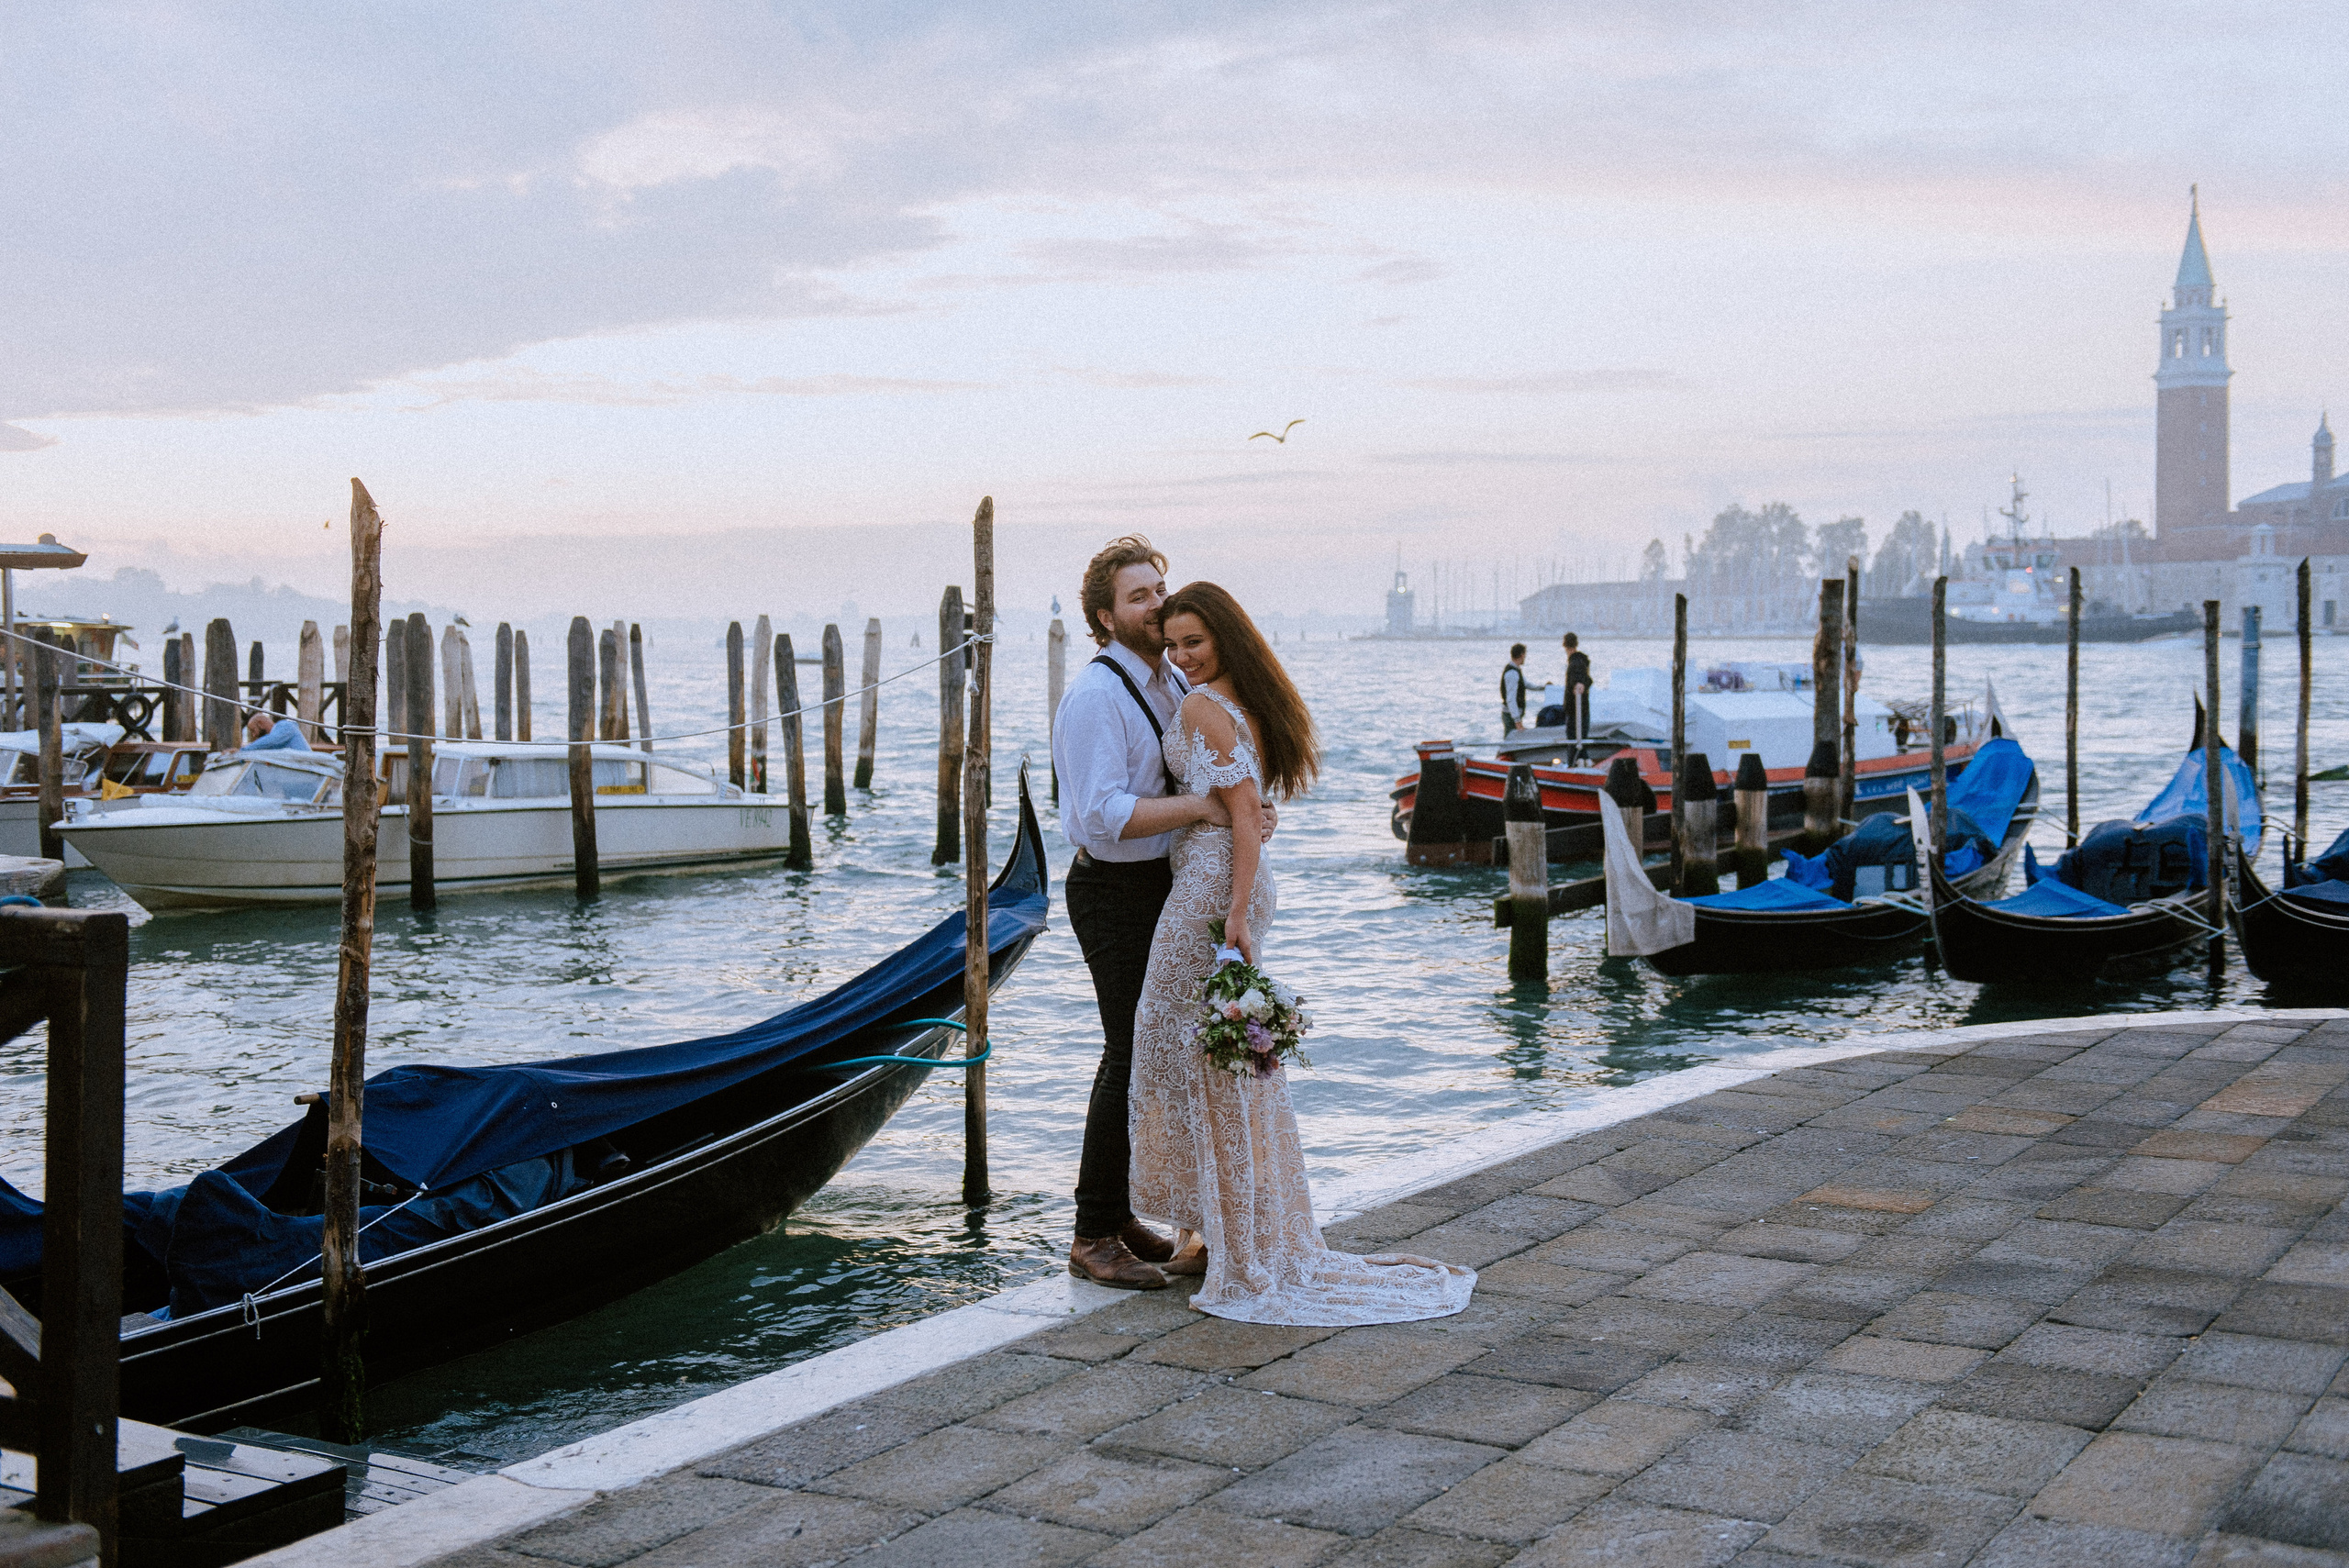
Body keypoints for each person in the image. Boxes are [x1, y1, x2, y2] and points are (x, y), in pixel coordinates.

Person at [1129, 581, 1474, 1325]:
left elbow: (1247, 817)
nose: (1183, 657)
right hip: (1224, 879)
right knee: (1211, 1056)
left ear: (1224, 637)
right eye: (1173, 645)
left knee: (1175, 1045)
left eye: (1195, 641)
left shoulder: (1201, 708)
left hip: (1214, 887)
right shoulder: (1238, 706)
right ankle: (1220, 1227)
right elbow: (1250, 807)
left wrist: (1235, 916)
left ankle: (1225, 1234)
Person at [1052, 536, 1275, 1290]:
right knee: (1129, 1049)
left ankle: (1126, 1214)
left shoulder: (1171, 680)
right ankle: (1091, 1233)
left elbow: (1210, 768)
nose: (1154, 606)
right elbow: (1101, 813)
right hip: (1110, 894)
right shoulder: (1095, 696)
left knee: (1168, 1052)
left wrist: (1243, 813)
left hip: (1165, 885)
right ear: (1104, 617)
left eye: (1158, 589)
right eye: (1138, 597)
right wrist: (1208, 808)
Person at [1562, 632, 1592, 740]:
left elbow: (1579, 681)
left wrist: (1579, 685)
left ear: (1564, 646)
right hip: (1583, 709)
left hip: (1574, 710)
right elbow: (1587, 680)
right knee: (1580, 740)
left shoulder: (1575, 663)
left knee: (1573, 740)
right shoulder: (1582, 661)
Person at [241, 710, 312, 752]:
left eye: (253, 730)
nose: (254, 735)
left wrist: (243, 751)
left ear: (260, 724)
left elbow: (270, 740)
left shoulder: (286, 726)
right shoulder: (275, 740)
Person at [1498, 643, 1530, 735]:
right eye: (1525, 655)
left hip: (1512, 714)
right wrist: (1517, 721)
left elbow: (1526, 684)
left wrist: (1544, 687)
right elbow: (1511, 699)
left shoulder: (1515, 669)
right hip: (1511, 715)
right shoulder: (1512, 673)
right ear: (1522, 655)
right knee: (1511, 741)